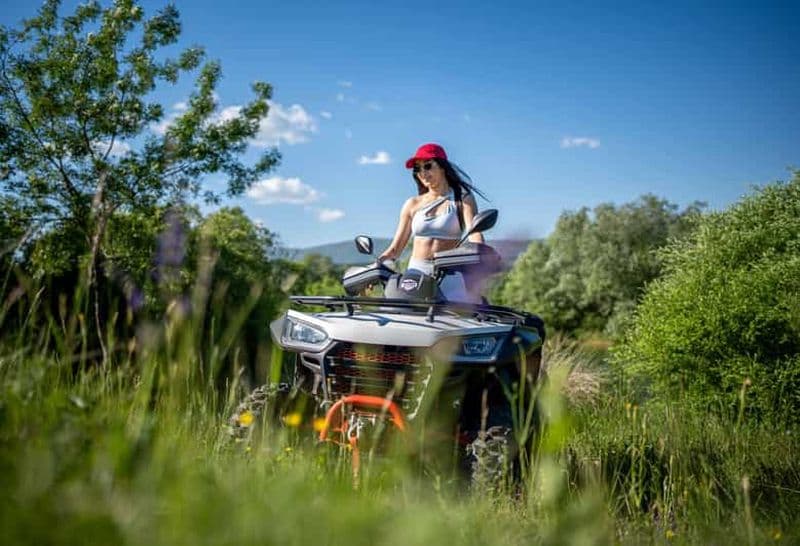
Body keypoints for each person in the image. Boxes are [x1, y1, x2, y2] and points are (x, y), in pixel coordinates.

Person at [378, 143, 487, 301]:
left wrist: (482, 255)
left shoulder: (462, 199)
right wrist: (376, 268)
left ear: (443, 167)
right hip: (415, 275)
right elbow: (394, 249)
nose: (422, 173)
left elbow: (475, 234)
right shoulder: (412, 204)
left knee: (456, 321)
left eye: (428, 166)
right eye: (417, 169)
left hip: (449, 276)